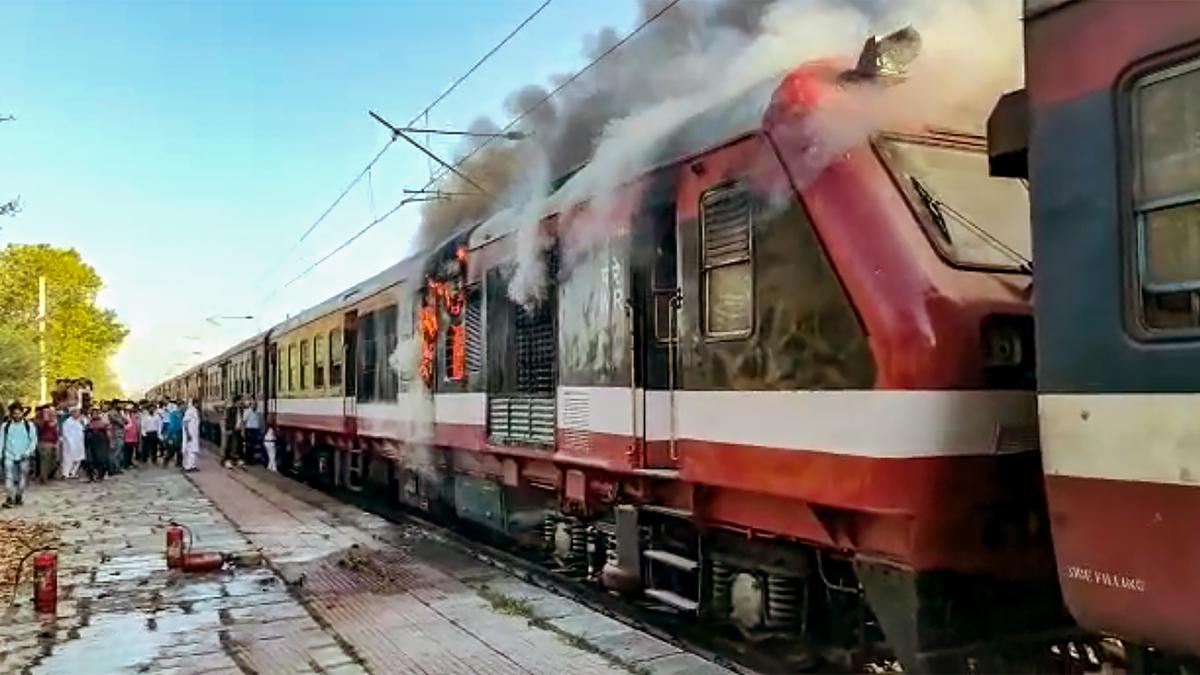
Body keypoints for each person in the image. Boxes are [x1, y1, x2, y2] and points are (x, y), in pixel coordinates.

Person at [2, 401, 37, 507]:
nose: (17, 415)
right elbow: (1, 441)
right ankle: (10, 498)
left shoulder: (29, 425)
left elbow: (33, 440)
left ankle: (18, 495)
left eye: (19, 413)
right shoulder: (5, 426)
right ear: (11, 414)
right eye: (14, 413)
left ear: (22, 413)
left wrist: (28, 452)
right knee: (9, 477)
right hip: (9, 454)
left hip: (24, 455)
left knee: (22, 478)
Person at [33, 405, 59, 482]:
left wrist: (56, 442)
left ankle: (45, 476)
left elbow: (55, 433)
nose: (48, 413)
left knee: (52, 462)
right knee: (45, 461)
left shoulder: (54, 422)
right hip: (43, 443)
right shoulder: (40, 422)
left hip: (52, 443)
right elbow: (40, 427)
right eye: (46, 412)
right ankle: (43, 478)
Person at [84, 408, 110, 482]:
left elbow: (108, 433)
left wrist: (110, 442)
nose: (94, 415)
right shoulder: (89, 423)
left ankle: (100, 475)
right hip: (92, 442)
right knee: (91, 459)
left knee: (101, 459)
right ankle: (92, 476)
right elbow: (86, 433)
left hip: (101, 442)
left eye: (96, 413)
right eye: (93, 414)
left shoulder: (103, 423)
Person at [60, 407, 86, 479]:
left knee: (78, 458)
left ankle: (73, 472)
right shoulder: (67, 422)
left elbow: (83, 430)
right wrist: (70, 442)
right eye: (76, 412)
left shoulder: (80, 421)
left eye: (78, 412)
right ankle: (65, 473)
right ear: (72, 413)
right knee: (68, 459)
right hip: (69, 443)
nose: (78, 414)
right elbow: (65, 433)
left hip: (79, 443)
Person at [241, 397, 262, 467]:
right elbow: (243, 422)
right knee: (249, 446)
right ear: (250, 405)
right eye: (253, 404)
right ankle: (248, 460)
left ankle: (251, 459)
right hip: (249, 429)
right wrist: (243, 431)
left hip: (255, 430)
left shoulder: (258, 412)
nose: (254, 405)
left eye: (255, 404)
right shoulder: (247, 411)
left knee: (253, 446)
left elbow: (259, 421)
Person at [107, 402, 127, 475]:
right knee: (115, 453)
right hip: (115, 435)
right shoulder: (112, 413)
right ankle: (114, 468)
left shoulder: (119, 413)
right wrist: (120, 418)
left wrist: (121, 415)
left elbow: (126, 421)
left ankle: (116, 467)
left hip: (119, 434)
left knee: (118, 452)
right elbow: (121, 423)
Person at [163, 400, 183, 467]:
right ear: (180, 406)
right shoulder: (174, 414)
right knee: (173, 449)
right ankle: (166, 460)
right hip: (175, 433)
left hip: (180, 433)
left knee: (179, 449)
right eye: (183, 405)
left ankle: (179, 463)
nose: (184, 407)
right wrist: (170, 435)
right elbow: (172, 425)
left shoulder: (182, 414)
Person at [223, 395, 242, 469]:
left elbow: (240, 419)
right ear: (237, 401)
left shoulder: (240, 410)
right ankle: (227, 460)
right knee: (230, 445)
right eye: (241, 401)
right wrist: (228, 429)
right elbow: (228, 420)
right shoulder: (230, 409)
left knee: (237, 445)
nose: (242, 402)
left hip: (237, 429)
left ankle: (235, 460)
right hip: (232, 429)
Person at [182, 399, 200, 472]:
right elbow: (185, 422)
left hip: (193, 434)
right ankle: (188, 467)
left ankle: (192, 465)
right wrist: (188, 433)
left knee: (192, 450)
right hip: (190, 434)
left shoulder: (194, 410)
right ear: (195, 403)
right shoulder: (190, 411)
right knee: (191, 450)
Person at [123, 403, 139, 468]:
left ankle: (130, 462)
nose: (131, 411)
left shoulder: (133, 416)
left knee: (131, 450)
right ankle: (126, 464)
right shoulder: (124, 417)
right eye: (129, 410)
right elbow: (124, 427)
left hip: (133, 436)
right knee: (127, 451)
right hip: (127, 436)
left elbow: (136, 425)